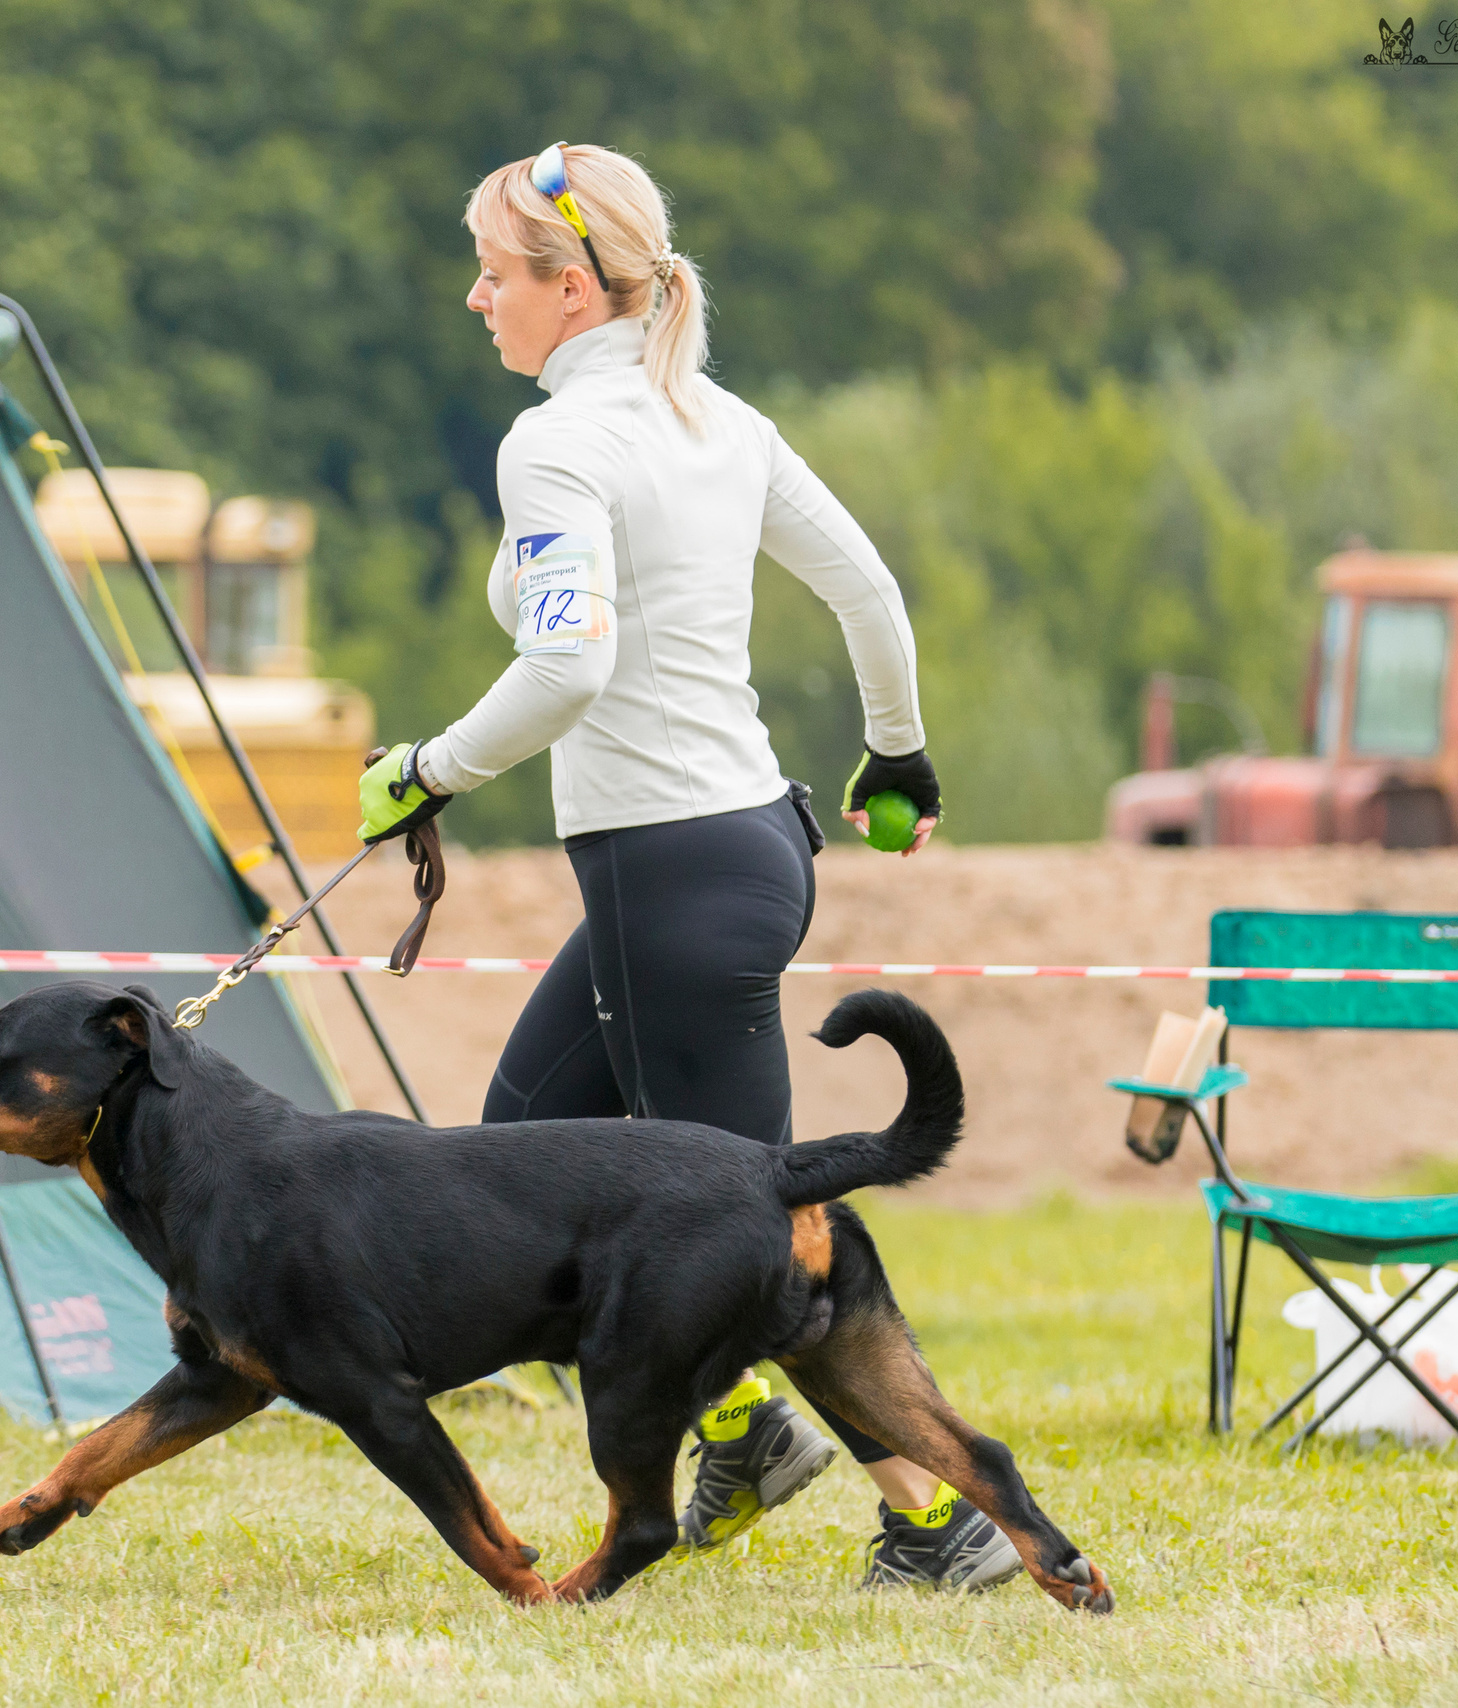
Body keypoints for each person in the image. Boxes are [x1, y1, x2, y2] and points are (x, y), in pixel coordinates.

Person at [354, 142, 1012, 1592]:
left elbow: (567, 665)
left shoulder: (564, 442)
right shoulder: (716, 419)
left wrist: (431, 769)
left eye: (494, 272)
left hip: (674, 880)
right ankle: (742, 1436)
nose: (475, 300)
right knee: (515, 1141)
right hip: (740, 851)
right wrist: (894, 755)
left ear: (571, 288)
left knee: (773, 1252)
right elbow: (870, 596)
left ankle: (936, 1522)